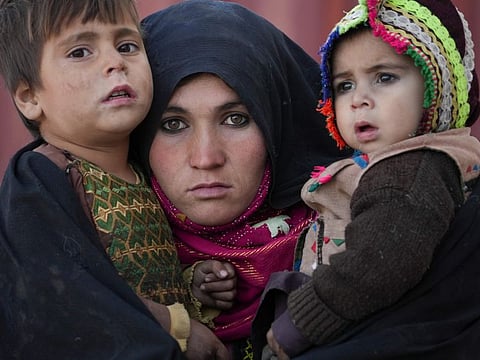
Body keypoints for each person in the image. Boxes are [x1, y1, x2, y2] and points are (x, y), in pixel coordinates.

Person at [0, 1, 228, 358]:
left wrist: (191, 283)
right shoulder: (39, 176)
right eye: (80, 51)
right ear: (30, 97)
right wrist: (176, 327)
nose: (116, 62)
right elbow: (62, 294)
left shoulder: (149, 169)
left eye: (127, 46)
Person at [252, 0, 480, 358]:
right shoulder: (396, 165)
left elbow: (377, 264)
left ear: (435, 88)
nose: (359, 99)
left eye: (384, 77)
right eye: (344, 85)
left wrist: (296, 325)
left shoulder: (409, 172)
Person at [131, 0, 348, 358]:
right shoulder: (100, 246)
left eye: (236, 119)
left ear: (276, 123)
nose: (206, 158)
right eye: (173, 124)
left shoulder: (357, 231)